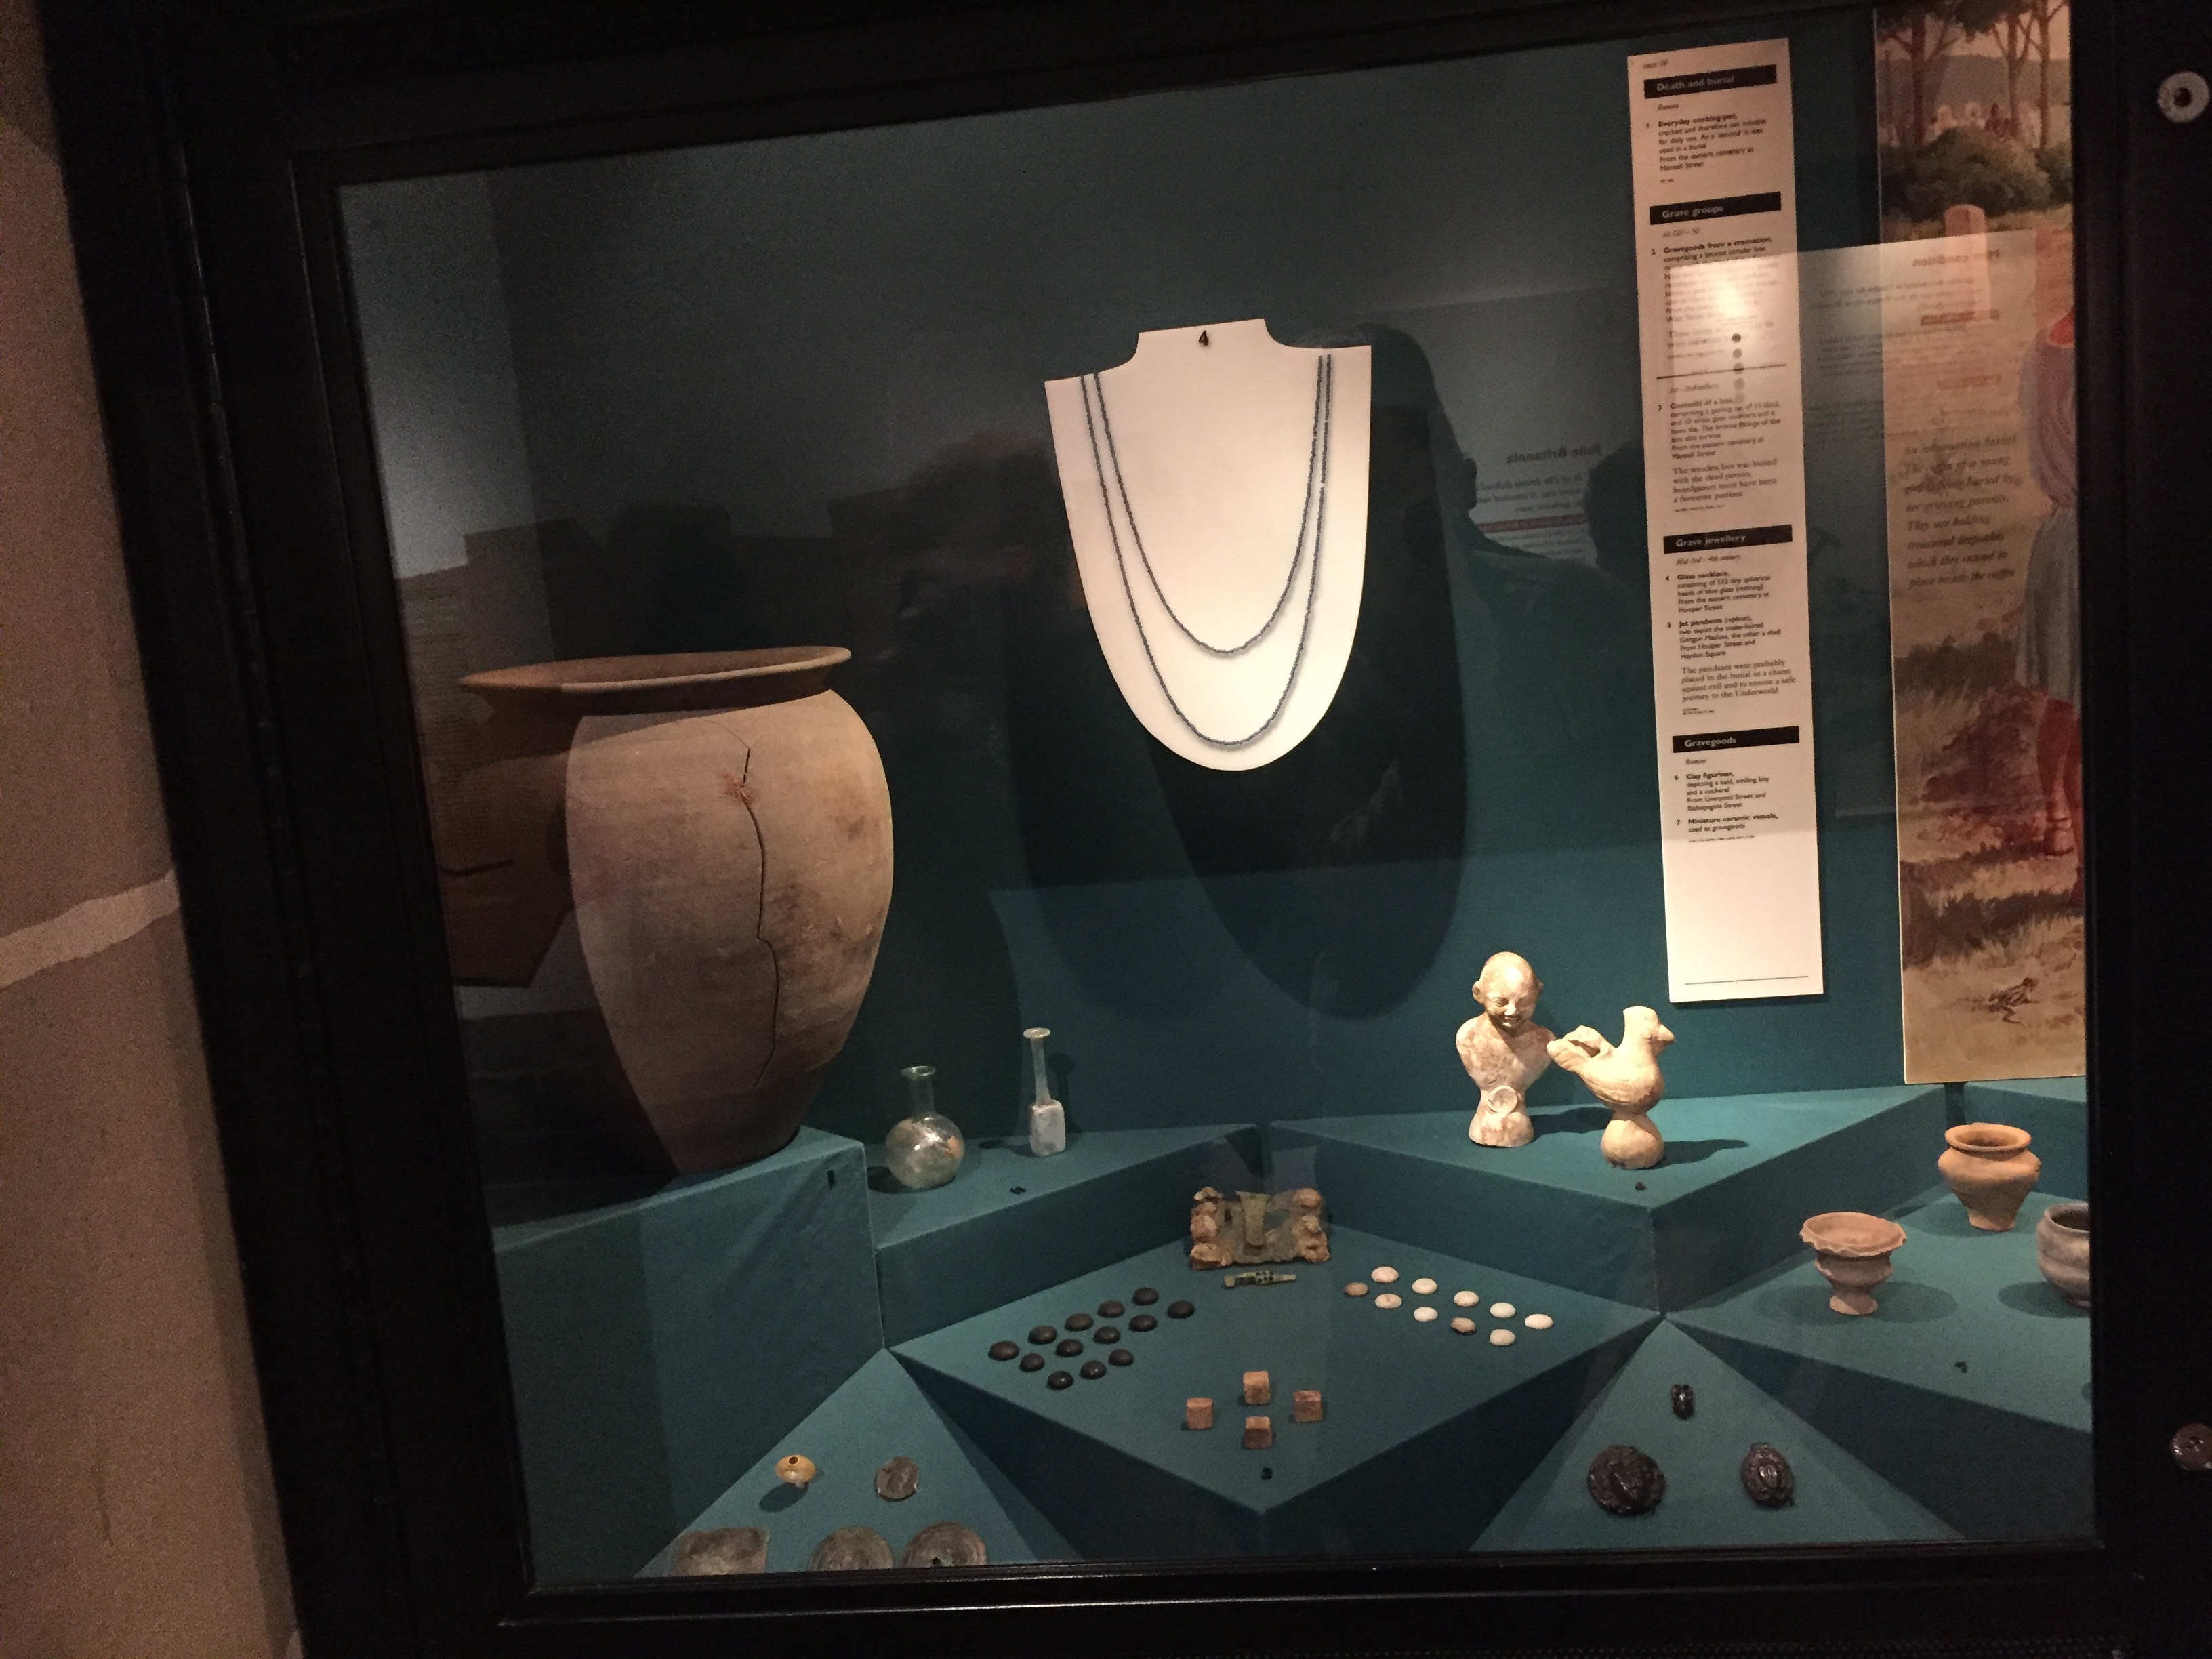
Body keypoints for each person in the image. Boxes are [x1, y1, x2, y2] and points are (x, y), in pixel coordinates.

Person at [2016, 305, 2081, 901]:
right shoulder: (2078, 358)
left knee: (2066, 695)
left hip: (2061, 536)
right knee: (2073, 696)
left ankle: (2059, 814)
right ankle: (2064, 822)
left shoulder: (2038, 351)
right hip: (2082, 535)